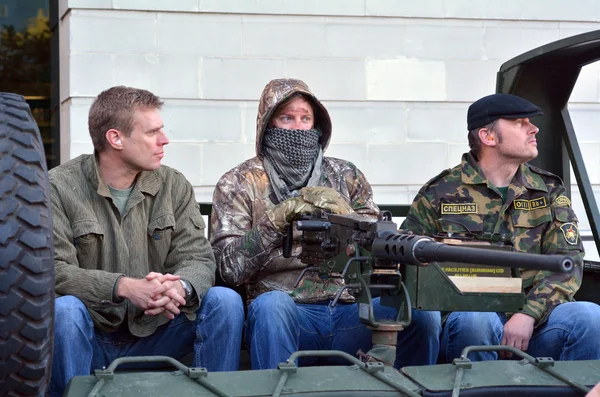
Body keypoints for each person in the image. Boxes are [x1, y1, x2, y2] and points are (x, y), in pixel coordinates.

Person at [210, 78, 441, 370]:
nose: (298, 127)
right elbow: (229, 270)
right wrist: (277, 219)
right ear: (268, 123)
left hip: (350, 308)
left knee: (421, 313)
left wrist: (347, 219)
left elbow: (379, 252)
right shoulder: (239, 182)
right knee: (271, 307)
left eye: (306, 118)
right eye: (287, 118)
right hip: (286, 312)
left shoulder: (346, 175)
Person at [49, 86, 244, 397]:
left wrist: (178, 288)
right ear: (116, 139)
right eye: (153, 132)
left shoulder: (173, 184)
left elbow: (197, 257)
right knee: (65, 311)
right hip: (91, 335)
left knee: (225, 302)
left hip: (160, 331)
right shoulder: (58, 187)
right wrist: (125, 287)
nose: (164, 140)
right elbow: (55, 271)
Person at [401, 93, 600, 362]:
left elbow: (568, 261)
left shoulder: (548, 189)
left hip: (537, 325)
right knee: (475, 320)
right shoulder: (439, 193)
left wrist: (528, 313)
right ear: (488, 137)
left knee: (589, 317)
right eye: (519, 123)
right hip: (465, 324)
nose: (534, 128)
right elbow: (411, 267)